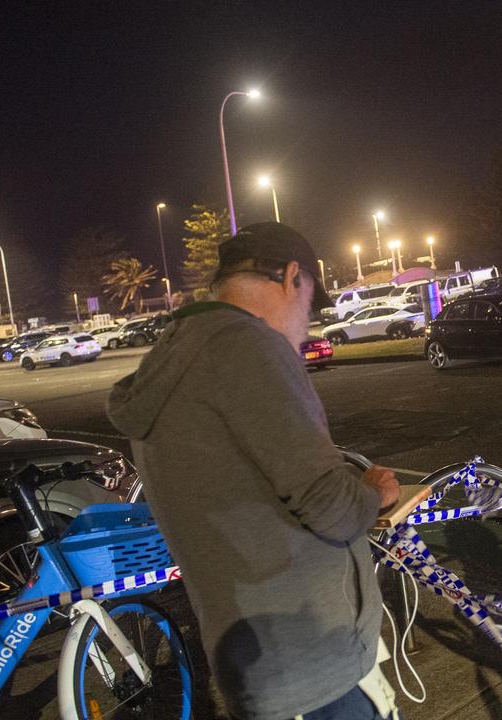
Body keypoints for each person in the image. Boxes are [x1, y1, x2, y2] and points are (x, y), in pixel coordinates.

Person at [107, 222, 402, 720]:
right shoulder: (249, 347)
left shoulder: (171, 356)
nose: (306, 325)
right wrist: (373, 492)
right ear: (292, 278)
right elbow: (328, 504)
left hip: (254, 665)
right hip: (315, 665)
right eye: (309, 304)